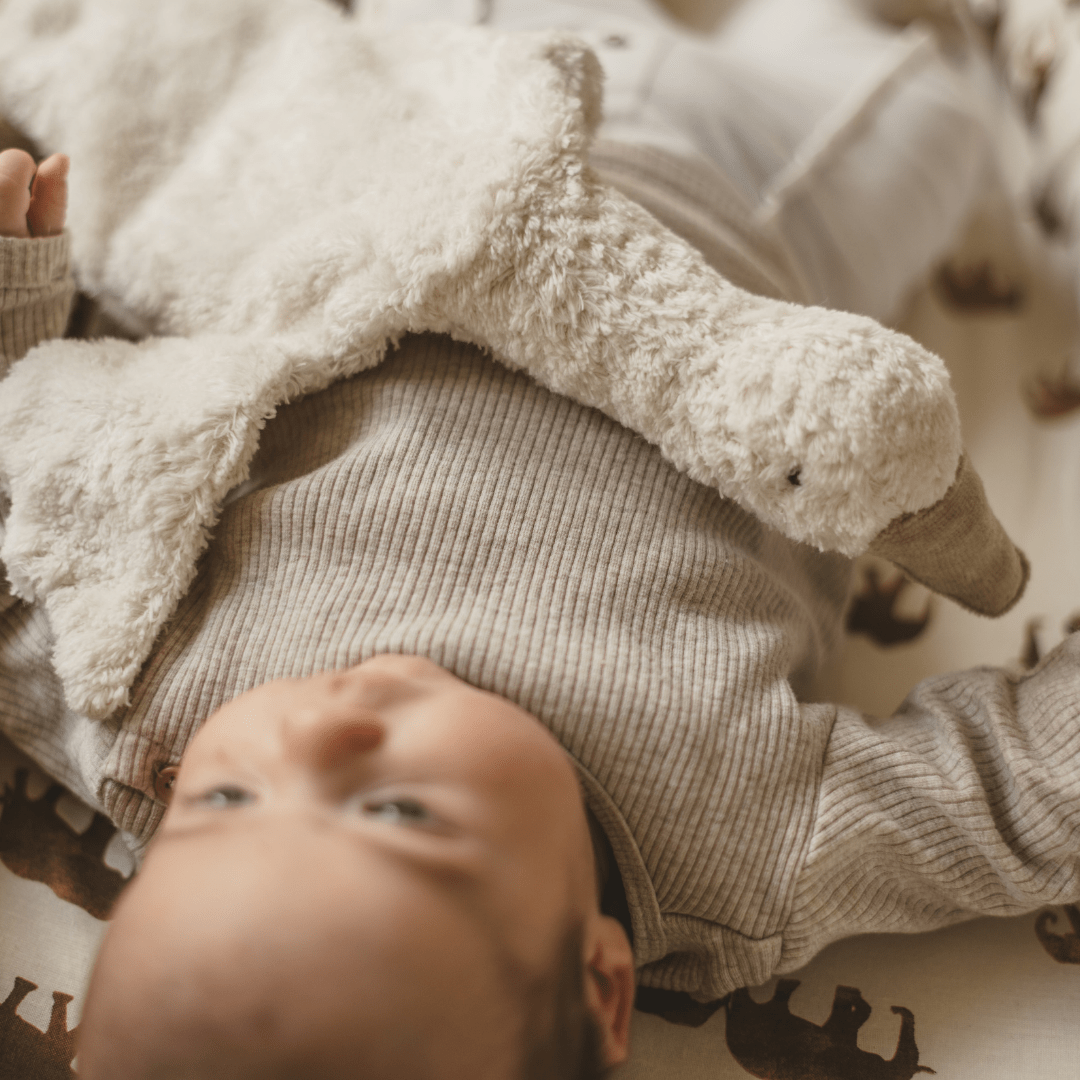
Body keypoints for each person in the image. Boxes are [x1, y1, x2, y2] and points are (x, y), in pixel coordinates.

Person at [1, 2, 1077, 1078]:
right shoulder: (741, 847)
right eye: (399, 811)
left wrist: (20, 295)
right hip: (763, 199)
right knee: (930, 112)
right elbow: (1019, 798)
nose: (309, 734)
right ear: (597, 983)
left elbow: (26, 545)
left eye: (223, 802)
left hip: (423, 128)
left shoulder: (136, 712)